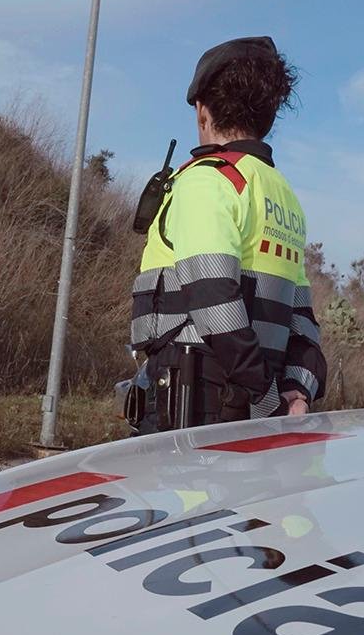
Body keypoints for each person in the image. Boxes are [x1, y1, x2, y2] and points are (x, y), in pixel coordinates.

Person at [129, 36, 326, 433]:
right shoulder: (283, 195)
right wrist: (296, 393)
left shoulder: (209, 181)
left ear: (203, 112)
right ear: (268, 117)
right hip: (252, 410)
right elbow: (303, 322)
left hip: (196, 412)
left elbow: (214, 299)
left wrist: (266, 401)